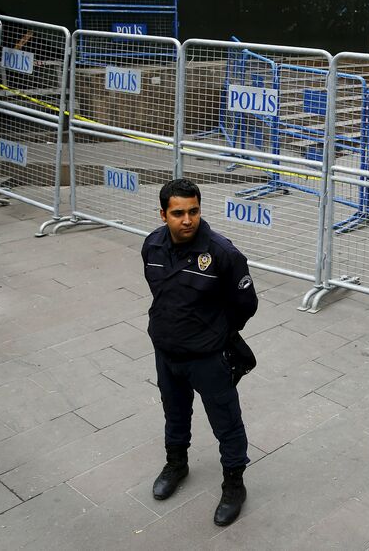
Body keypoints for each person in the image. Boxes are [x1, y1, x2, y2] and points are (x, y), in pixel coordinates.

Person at [141, 178, 259, 526]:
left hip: (208, 358)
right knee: (174, 414)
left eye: (193, 211)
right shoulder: (152, 246)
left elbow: (246, 304)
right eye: (178, 213)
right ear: (163, 215)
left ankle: (234, 484)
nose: (187, 219)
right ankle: (176, 464)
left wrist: (219, 333)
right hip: (166, 353)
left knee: (226, 423)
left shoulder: (223, 254)